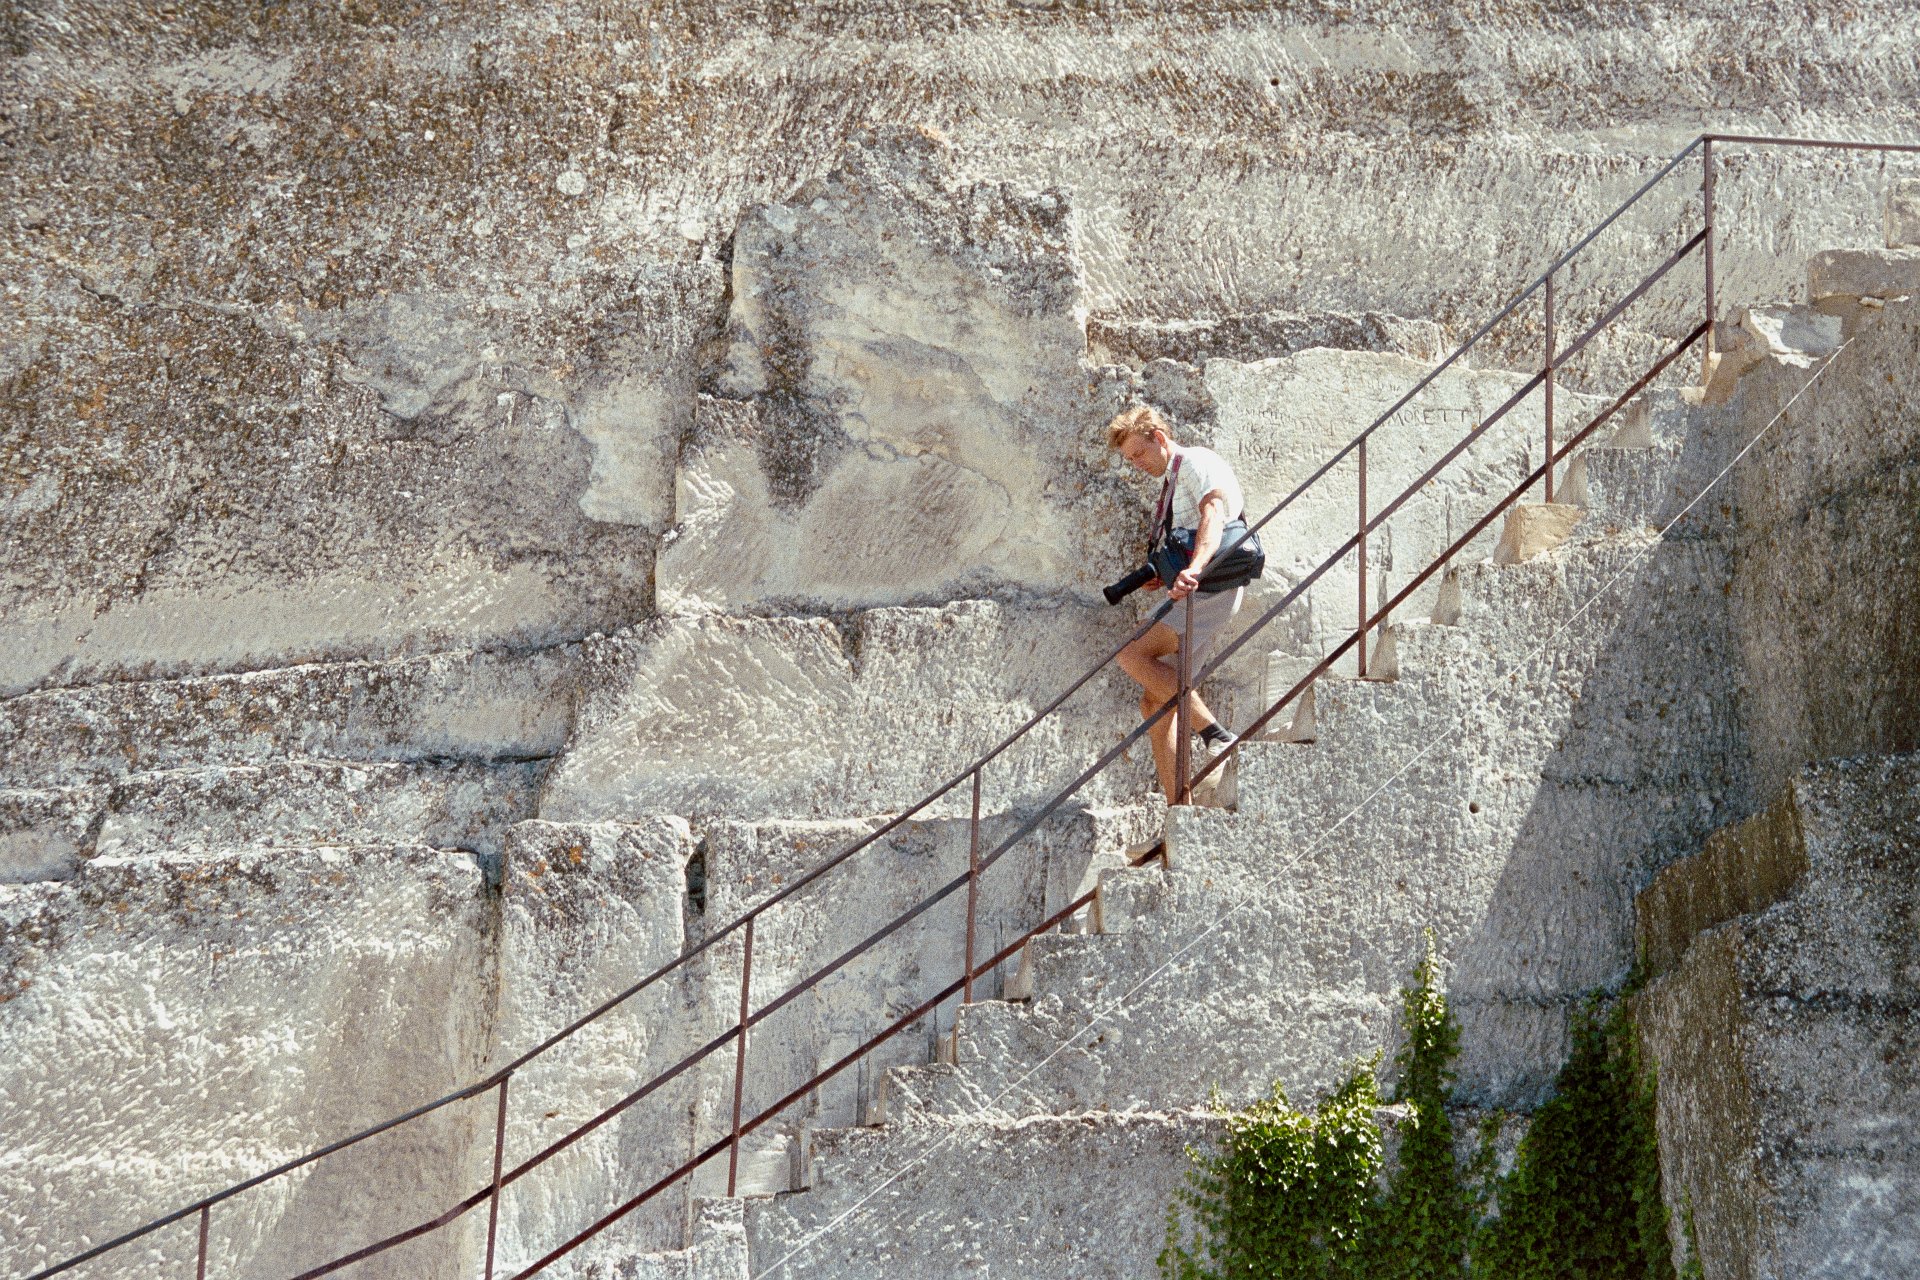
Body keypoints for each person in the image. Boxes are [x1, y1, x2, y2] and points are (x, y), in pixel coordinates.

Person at [1105, 404, 1246, 807]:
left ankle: (1218, 735)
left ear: (1160, 438)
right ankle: (1178, 809)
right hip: (1196, 589)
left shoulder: (1196, 462)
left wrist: (1195, 568)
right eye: (1130, 459)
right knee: (1155, 702)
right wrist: (1165, 573)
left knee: (1132, 654)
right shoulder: (1172, 480)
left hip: (1210, 588)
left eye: (1139, 453)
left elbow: (1213, 514)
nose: (1137, 464)